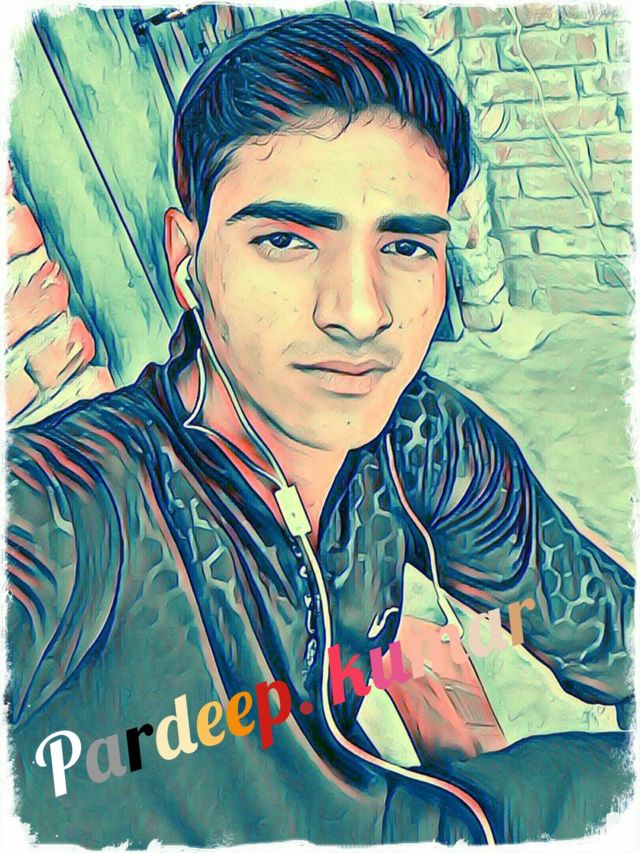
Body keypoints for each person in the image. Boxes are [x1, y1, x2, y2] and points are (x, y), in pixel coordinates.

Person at [6, 13, 634, 848]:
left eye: (405, 247)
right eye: (285, 239)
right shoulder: (64, 503)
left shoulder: (421, 437)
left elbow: (608, 628)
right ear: (188, 261)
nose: (360, 313)